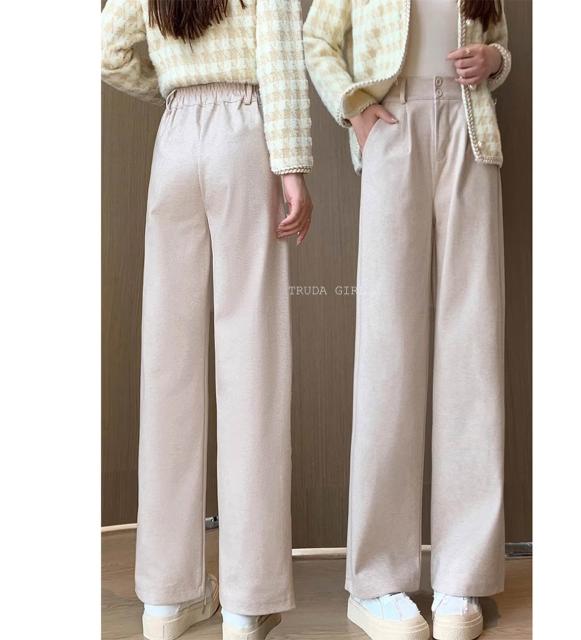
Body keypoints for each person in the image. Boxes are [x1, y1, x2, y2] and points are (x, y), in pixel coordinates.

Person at [101, 1, 313, 639]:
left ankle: (167, 600)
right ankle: (247, 601)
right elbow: (281, 60)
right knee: (252, 360)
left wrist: (173, 85)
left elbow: (109, 52)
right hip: (243, 133)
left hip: (174, 137)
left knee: (168, 366)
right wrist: (293, 167)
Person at [303, 1, 511, 639]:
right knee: (388, 350)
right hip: (393, 123)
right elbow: (317, 39)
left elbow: (497, 40)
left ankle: (462, 574)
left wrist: (494, 60)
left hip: (470, 129)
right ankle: (376, 581)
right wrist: (355, 108)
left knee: (473, 347)